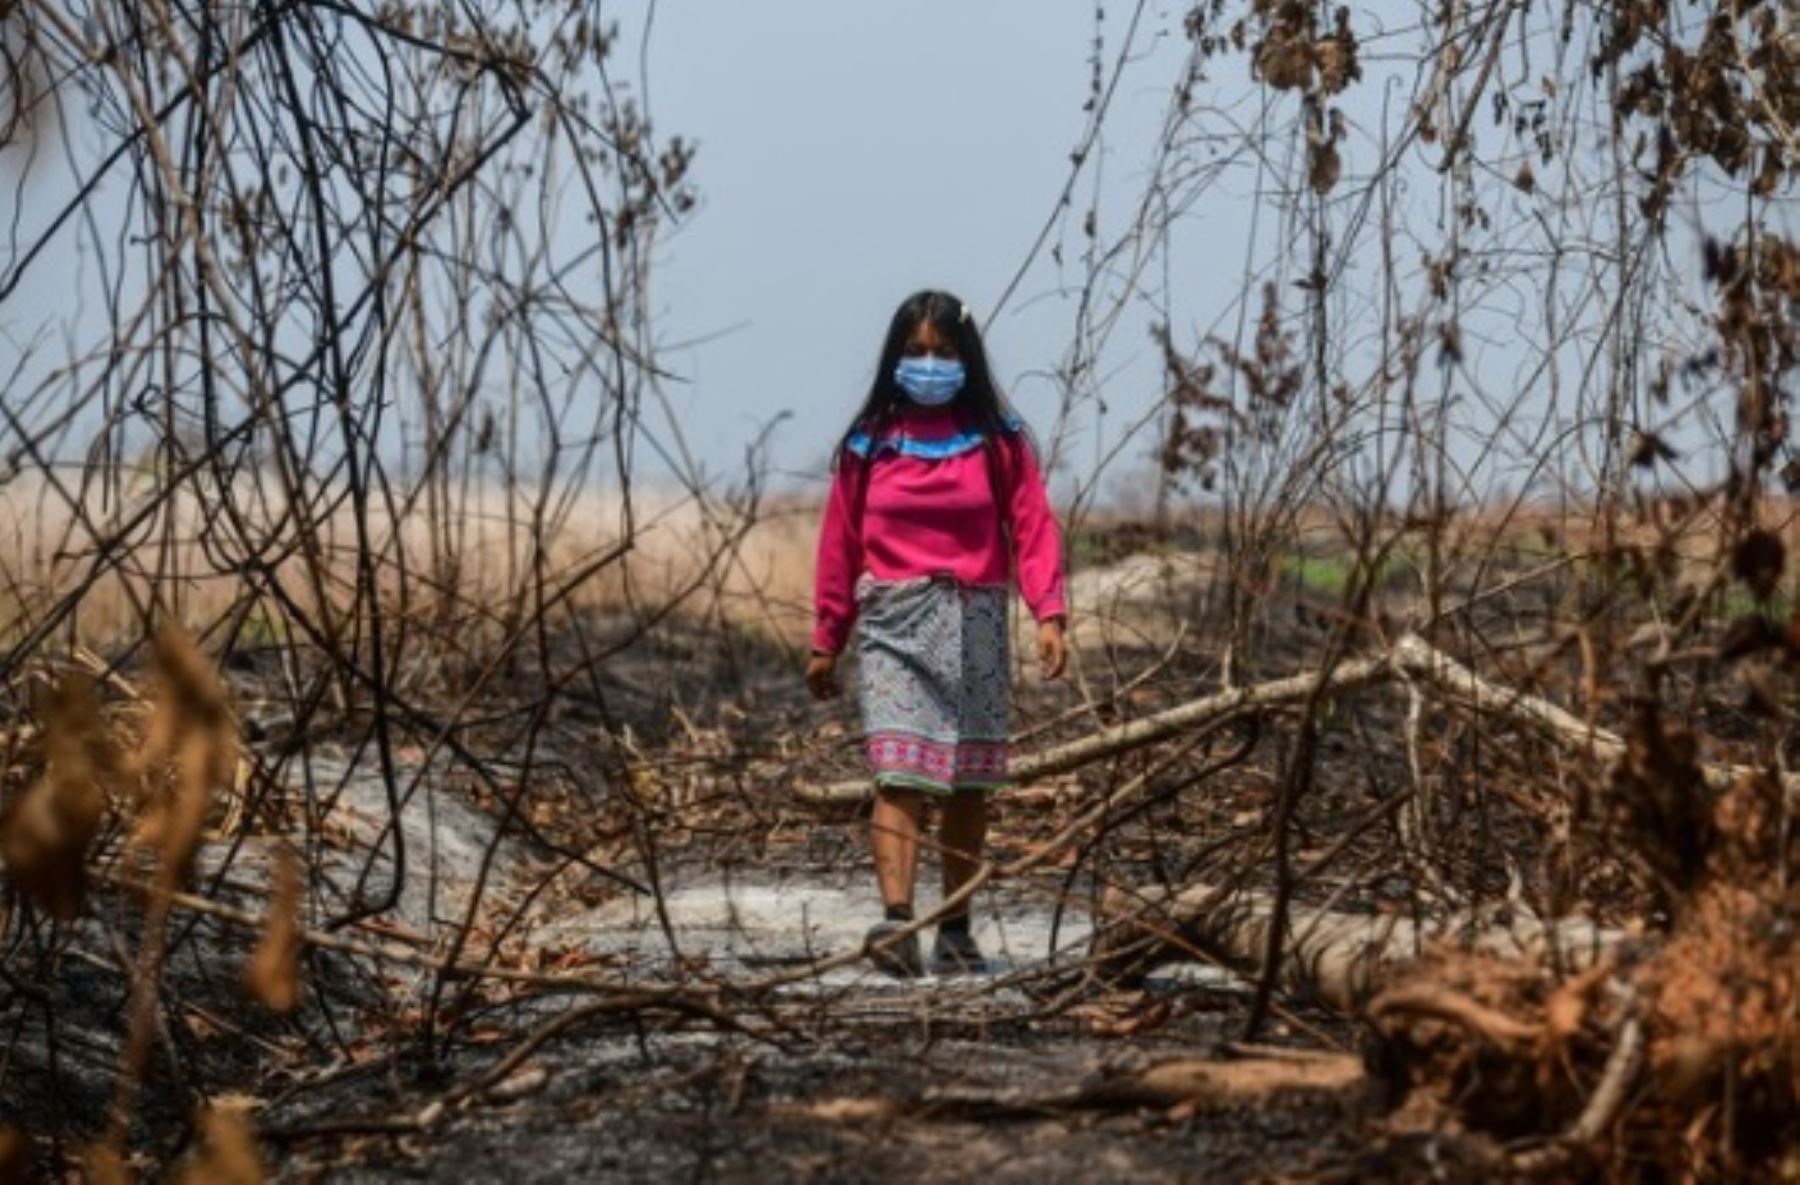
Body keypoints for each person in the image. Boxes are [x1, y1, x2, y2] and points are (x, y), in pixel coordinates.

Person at [806, 289, 1067, 977]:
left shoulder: (997, 440)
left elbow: (1034, 525)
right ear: (896, 357)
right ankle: (898, 922)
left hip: (974, 621)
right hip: (892, 621)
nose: (928, 364)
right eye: (915, 352)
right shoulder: (870, 443)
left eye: (942, 352)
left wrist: (1050, 612)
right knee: (898, 772)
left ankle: (955, 927)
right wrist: (826, 635)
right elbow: (840, 543)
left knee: (966, 782)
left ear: (966, 359)